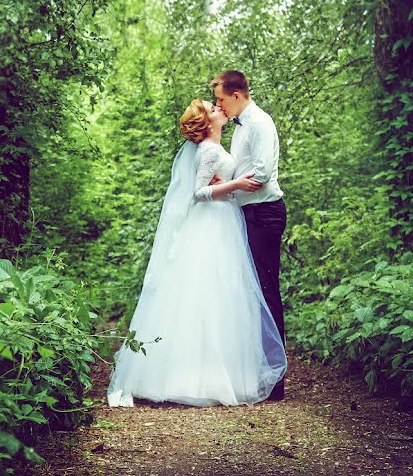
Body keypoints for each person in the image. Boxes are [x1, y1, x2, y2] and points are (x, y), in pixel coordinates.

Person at [106, 99, 287, 407]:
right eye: (213, 108)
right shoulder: (208, 150)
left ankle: (223, 371)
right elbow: (198, 192)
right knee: (207, 292)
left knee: (225, 295)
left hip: (225, 221)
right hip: (211, 224)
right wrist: (236, 184)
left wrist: (230, 185)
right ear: (207, 121)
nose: (220, 109)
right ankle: (195, 376)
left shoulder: (216, 146)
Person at [210, 70, 288, 400]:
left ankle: (276, 382)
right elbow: (241, 172)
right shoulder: (240, 127)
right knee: (250, 293)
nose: (219, 105)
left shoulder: (259, 123)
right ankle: (256, 371)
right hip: (247, 213)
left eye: (221, 99)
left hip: (265, 215)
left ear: (237, 95)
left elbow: (260, 175)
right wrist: (223, 182)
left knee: (266, 292)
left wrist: (228, 191)